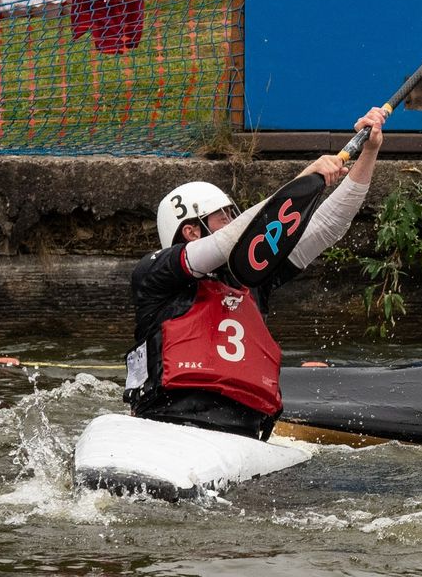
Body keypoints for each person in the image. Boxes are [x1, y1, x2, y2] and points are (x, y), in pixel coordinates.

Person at [123, 107, 387, 440]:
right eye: (223, 215)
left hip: (241, 433)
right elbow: (223, 244)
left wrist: (369, 151)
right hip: (166, 418)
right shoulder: (155, 274)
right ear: (191, 231)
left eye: (235, 214)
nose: (234, 221)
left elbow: (328, 226)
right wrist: (306, 179)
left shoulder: (253, 278)